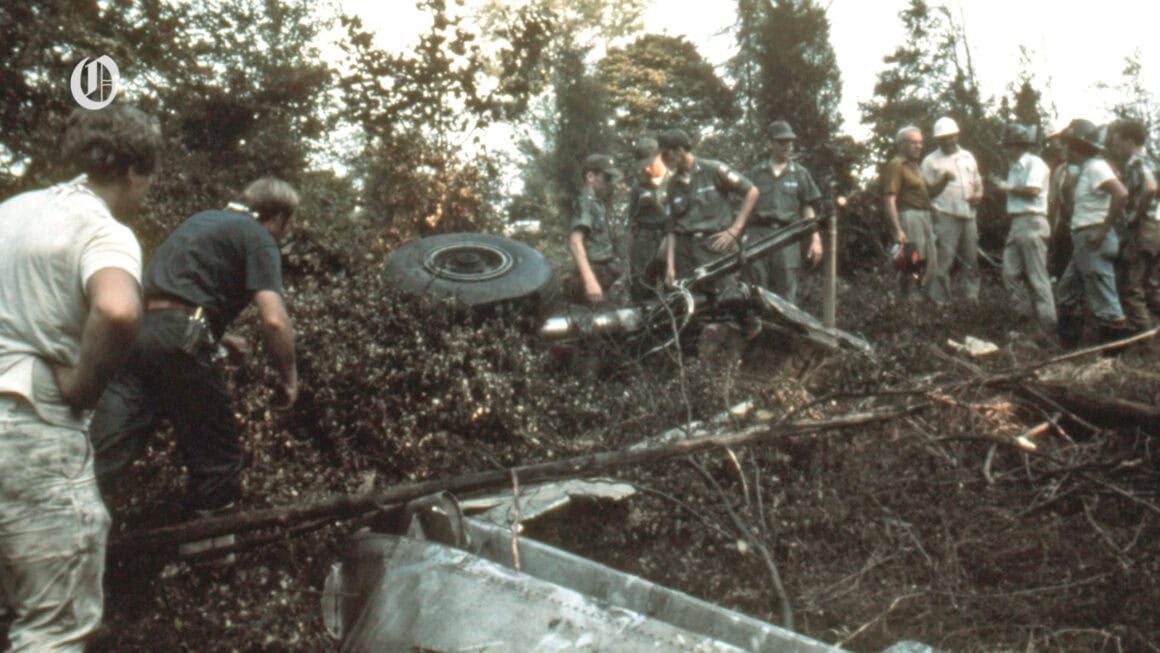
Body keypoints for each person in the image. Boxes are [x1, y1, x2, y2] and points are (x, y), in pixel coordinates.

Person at [0, 104, 160, 650]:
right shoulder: (103, 231)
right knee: (52, 629)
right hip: (31, 430)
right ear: (136, 171)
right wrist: (83, 385)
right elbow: (118, 310)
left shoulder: (11, 212)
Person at [91, 178, 300, 538]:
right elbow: (274, 319)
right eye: (288, 223)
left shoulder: (201, 220)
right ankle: (209, 566)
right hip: (178, 342)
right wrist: (290, 378)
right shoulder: (259, 236)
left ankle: (56, 527)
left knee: (105, 450)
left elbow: (179, 293)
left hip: (138, 336)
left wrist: (220, 334)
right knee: (217, 456)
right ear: (279, 217)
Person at [1055, 119, 1131, 349]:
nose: (1065, 150)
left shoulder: (1096, 167)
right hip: (1083, 239)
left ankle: (1114, 357)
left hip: (1093, 237)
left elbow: (1121, 193)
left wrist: (1102, 230)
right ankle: (1068, 347)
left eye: (1068, 145)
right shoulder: (1087, 170)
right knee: (1067, 291)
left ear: (1078, 147)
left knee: (1104, 296)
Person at [659, 128, 759, 297]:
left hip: (714, 248)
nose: (663, 160)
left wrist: (735, 230)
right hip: (685, 252)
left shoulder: (713, 170)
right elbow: (671, 228)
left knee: (727, 300)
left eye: (666, 154)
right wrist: (670, 266)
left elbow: (752, 191)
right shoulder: (672, 185)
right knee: (689, 303)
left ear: (680, 151)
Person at [745, 120, 823, 304]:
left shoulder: (800, 173)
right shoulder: (756, 173)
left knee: (786, 292)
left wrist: (815, 239)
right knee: (756, 290)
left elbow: (808, 207)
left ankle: (782, 332)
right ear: (770, 143)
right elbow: (744, 207)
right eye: (781, 141)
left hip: (787, 237)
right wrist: (741, 237)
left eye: (790, 141)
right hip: (758, 236)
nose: (787, 146)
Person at [992, 123, 1056, 327]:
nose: (1005, 150)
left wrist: (1006, 187)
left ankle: (1048, 323)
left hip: (1032, 221)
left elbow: (1033, 191)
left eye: (1008, 146)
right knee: (1009, 273)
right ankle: (1024, 317)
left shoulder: (1034, 164)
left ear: (1018, 146)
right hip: (1018, 222)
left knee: (1037, 275)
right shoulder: (1014, 166)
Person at [921, 117, 984, 303]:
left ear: (957, 136)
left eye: (950, 137)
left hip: (969, 214)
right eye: (943, 138)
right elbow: (926, 191)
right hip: (945, 213)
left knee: (971, 259)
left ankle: (971, 299)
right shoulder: (930, 161)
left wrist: (979, 195)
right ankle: (939, 301)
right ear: (937, 140)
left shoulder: (968, 157)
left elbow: (978, 181)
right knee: (943, 259)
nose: (947, 141)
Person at [882, 125, 947, 299]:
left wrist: (945, 179)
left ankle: (922, 302)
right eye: (914, 143)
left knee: (929, 263)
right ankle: (910, 304)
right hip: (909, 217)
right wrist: (897, 229)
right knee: (911, 262)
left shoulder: (915, 166)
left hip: (924, 217)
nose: (919, 146)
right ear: (902, 144)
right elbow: (889, 199)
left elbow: (929, 192)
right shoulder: (897, 165)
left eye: (921, 143)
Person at [1107, 119, 1160, 334]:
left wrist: (1135, 216)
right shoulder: (1155, 159)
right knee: (1152, 286)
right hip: (1156, 226)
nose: (1115, 145)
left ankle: (1145, 344)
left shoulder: (1136, 162)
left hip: (1145, 228)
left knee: (1133, 288)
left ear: (1129, 140)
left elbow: (1149, 187)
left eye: (1118, 141)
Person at [567, 153, 621, 305]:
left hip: (603, 271)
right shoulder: (585, 203)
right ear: (590, 176)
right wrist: (590, 280)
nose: (609, 183)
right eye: (606, 177)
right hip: (592, 271)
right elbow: (575, 242)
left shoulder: (597, 203)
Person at [625, 138, 671, 302]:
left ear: (660, 157)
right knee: (641, 287)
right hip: (644, 241)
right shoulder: (639, 186)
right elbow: (631, 220)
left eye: (651, 163)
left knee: (672, 285)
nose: (647, 168)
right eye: (643, 165)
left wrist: (656, 204)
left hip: (669, 240)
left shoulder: (674, 182)